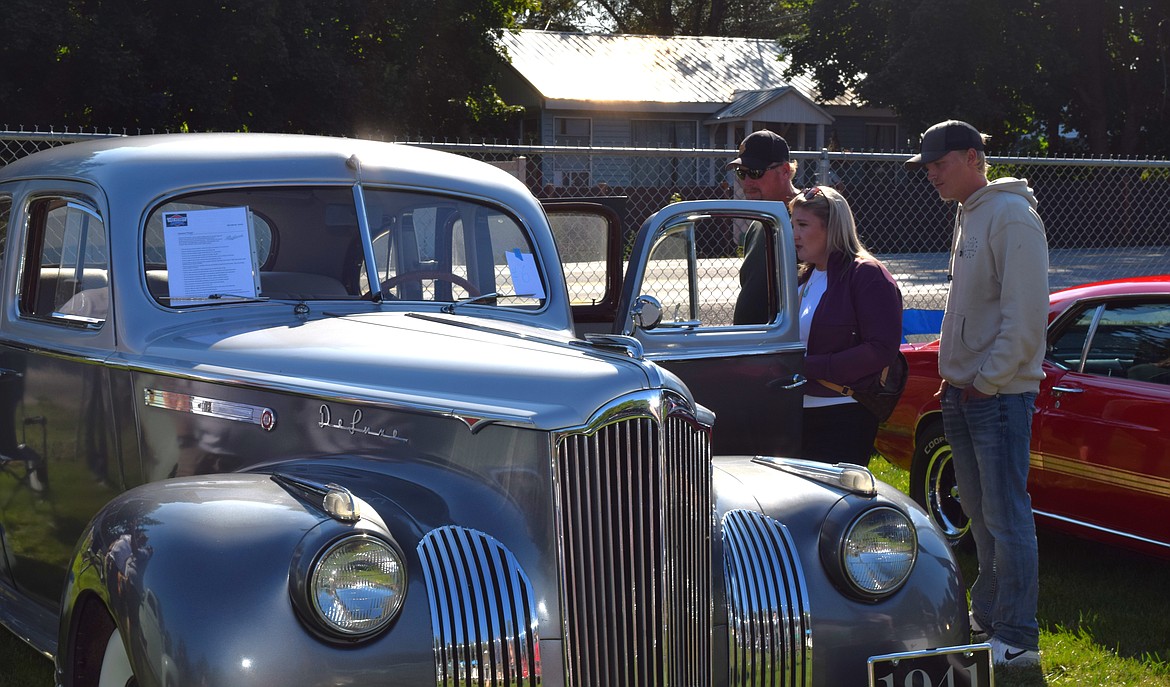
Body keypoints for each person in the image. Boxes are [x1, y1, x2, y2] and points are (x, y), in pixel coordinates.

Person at [905, 119, 1049, 668]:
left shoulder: (1012, 215)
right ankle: (989, 619)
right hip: (967, 391)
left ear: (973, 157)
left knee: (1007, 514)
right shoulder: (971, 213)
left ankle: (1018, 639)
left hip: (1000, 394)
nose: (932, 176)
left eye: (939, 165)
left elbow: (1027, 313)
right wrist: (958, 374)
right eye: (928, 168)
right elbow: (974, 312)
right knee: (980, 513)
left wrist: (988, 381)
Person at [789, 186, 903, 467]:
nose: (794, 235)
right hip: (796, 413)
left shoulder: (867, 275)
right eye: (792, 225)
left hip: (844, 415)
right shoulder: (804, 276)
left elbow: (880, 350)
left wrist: (806, 367)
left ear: (832, 229)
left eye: (803, 225)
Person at [725, 130, 800, 324]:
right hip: (753, 345)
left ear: (785, 170)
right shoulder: (762, 221)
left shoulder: (808, 217)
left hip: (782, 344)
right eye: (741, 173)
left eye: (756, 172)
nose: (747, 182)